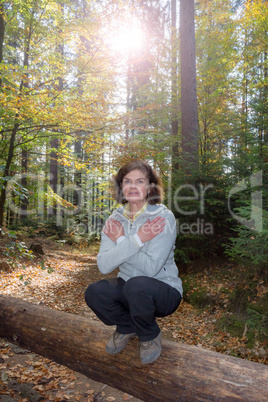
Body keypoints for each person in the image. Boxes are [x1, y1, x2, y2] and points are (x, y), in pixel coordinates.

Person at [85, 160, 183, 364]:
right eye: (127, 181)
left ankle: (149, 335)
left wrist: (122, 240)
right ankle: (127, 326)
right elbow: (104, 265)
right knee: (95, 292)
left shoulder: (162, 218)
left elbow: (151, 268)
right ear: (121, 187)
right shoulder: (115, 220)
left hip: (164, 290)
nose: (132, 186)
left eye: (139, 181)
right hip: (129, 286)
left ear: (150, 187)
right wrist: (137, 239)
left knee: (136, 285)